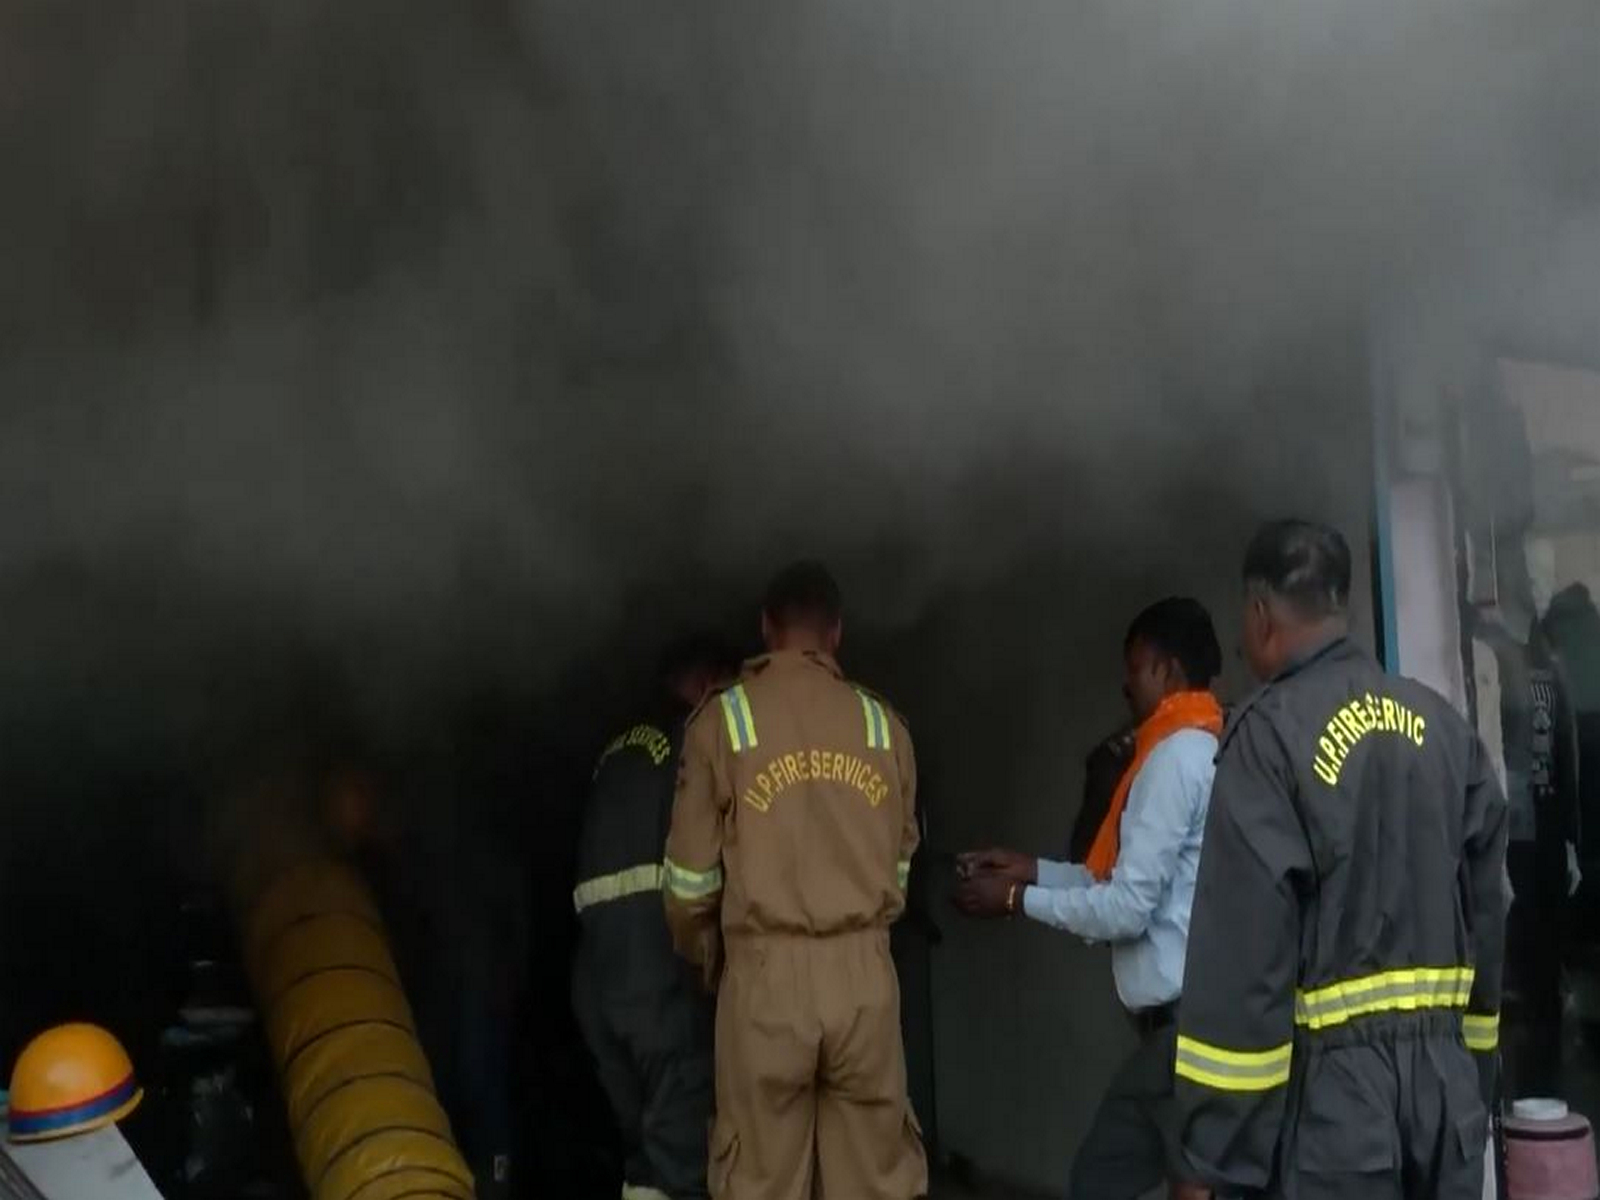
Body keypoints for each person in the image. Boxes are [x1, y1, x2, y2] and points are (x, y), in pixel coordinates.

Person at [1175, 520, 1507, 1200]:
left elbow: (1244, 969)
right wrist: (1470, 1070)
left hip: (1335, 1117)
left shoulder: (1266, 740)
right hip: (1447, 1104)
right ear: (1343, 606)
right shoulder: (1444, 728)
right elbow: (1489, 913)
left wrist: (1210, 1157)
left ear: (1262, 614)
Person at [663, 562, 927, 1200]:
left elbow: (690, 886)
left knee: (758, 1178)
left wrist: (712, 967)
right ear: (836, 634)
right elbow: (902, 860)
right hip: (865, 980)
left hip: (765, 982)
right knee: (875, 1180)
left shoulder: (721, 724)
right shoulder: (882, 726)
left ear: (765, 628)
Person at [955, 597, 1224, 1200]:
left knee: (1109, 1182)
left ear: (1167, 669)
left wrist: (1017, 899)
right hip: (1185, 1030)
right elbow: (1117, 883)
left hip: (1183, 1034)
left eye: (1134, 667)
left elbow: (1126, 909)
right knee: (1168, 1181)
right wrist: (1033, 872)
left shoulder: (1173, 759)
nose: (1125, 684)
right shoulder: (1200, 745)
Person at [572, 636, 741, 1200]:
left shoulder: (617, 747)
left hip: (599, 980)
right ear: (703, 683)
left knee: (643, 1154)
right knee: (682, 1154)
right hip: (661, 974)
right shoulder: (694, 740)